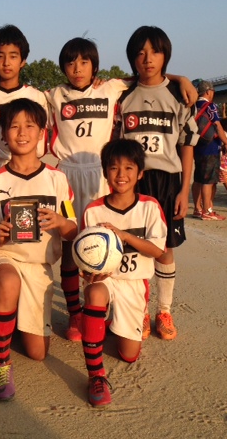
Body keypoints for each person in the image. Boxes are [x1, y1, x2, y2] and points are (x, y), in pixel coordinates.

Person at [45, 37, 198, 341]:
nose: (77, 68)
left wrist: (181, 78)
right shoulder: (52, 95)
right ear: (62, 67)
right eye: (70, 63)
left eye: (84, 62)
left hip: (101, 175)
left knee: (107, 239)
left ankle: (136, 307)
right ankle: (76, 313)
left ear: (95, 66)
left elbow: (149, 75)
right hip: (66, 178)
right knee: (71, 243)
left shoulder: (111, 88)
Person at [0, 98, 77, 401]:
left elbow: (73, 230)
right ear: (3, 134)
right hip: (4, 257)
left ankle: (3, 319)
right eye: (14, 126)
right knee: (8, 282)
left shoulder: (57, 179)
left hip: (39, 267)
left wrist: (60, 221)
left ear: (41, 133)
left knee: (38, 353)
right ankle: (0, 364)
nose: (22, 132)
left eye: (29, 126)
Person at [117, 25, 199, 341]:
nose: (147, 59)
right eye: (140, 53)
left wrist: (184, 190)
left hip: (168, 181)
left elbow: (187, 145)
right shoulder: (123, 96)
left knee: (165, 248)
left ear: (166, 55)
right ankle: (138, 309)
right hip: (132, 182)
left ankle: (163, 310)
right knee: (134, 246)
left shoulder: (179, 95)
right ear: (132, 58)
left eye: (155, 52)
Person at [79, 138, 166, 407]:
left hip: (133, 283)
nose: (121, 174)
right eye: (114, 168)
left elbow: (157, 251)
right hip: (106, 281)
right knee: (94, 293)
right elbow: (84, 257)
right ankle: (96, 375)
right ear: (105, 172)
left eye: (129, 168)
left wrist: (124, 236)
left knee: (129, 355)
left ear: (140, 173)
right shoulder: (94, 210)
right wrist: (88, 274)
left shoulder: (150, 206)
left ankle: (105, 323)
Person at [0, 25, 50, 175]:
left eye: (13, 56)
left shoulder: (36, 97)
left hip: (29, 167)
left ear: (23, 61)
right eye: (0, 56)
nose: (6, 62)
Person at [190, 79, 227, 221]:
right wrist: (226, 142)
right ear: (208, 91)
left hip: (197, 146)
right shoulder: (210, 106)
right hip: (210, 147)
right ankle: (207, 210)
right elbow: (217, 125)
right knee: (209, 180)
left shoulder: (193, 106)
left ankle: (197, 208)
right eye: (212, 91)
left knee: (198, 178)